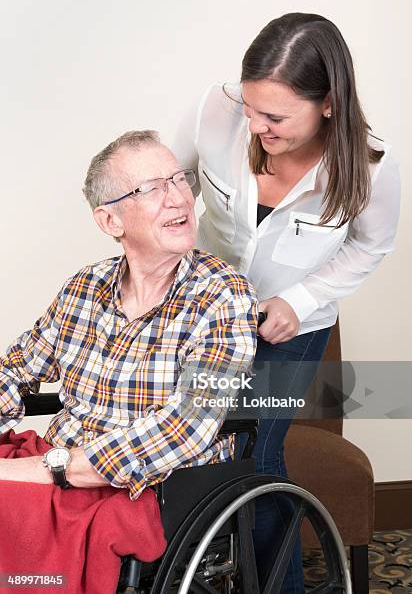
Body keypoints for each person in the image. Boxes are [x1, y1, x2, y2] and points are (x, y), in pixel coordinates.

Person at [173, 12, 401, 592]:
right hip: (199, 314)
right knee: (184, 448)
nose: (255, 126)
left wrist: (300, 299)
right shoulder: (214, 110)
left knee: (256, 454)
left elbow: (371, 246)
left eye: (274, 117)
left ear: (328, 103)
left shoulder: (371, 165)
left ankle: (276, 586)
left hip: (290, 330)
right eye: (250, 109)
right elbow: (173, 187)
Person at [0, 130, 258, 498]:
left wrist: (50, 468)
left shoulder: (224, 295)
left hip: (148, 488)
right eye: (152, 188)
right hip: (58, 471)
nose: (179, 198)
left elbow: (186, 428)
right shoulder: (84, 287)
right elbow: (15, 370)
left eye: (178, 179)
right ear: (110, 222)